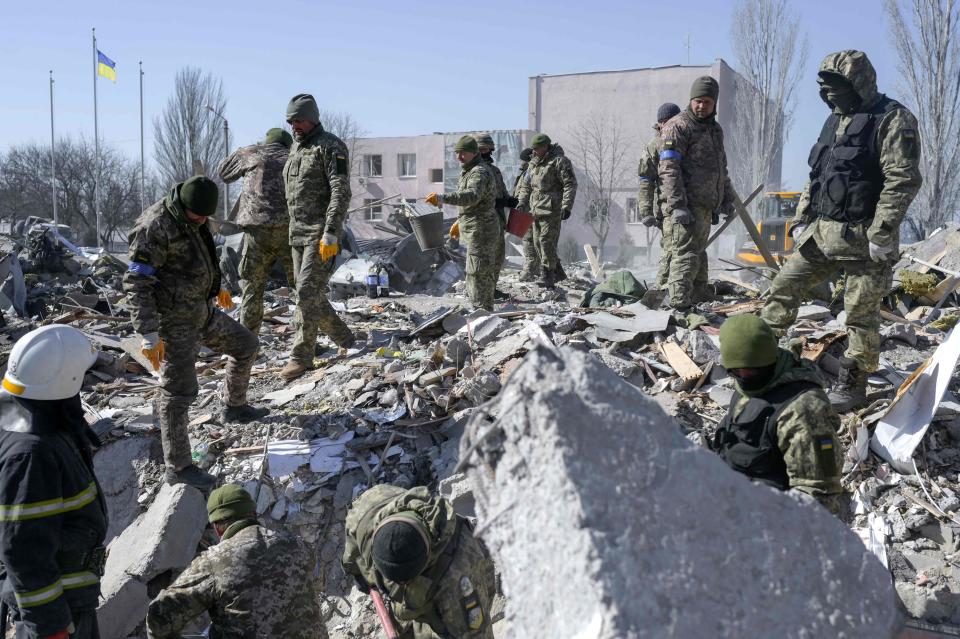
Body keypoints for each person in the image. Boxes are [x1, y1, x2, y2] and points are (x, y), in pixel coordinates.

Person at [761, 50, 923, 411]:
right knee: (784, 286)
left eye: (838, 86)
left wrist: (882, 232)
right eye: (826, 88)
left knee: (861, 314)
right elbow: (818, 174)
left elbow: (903, 180)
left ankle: (852, 385)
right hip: (821, 234)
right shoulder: (833, 121)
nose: (831, 94)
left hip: (866, 242)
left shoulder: (893, 119)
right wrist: (802, 217)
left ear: (859, 82)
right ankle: (762, 360)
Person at [124, 176, 267, 491]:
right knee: (179, 392)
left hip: (201, 312)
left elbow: (203, 256)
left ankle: (234, 407)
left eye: (206, 216)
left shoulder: (195, 216)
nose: (202, 221)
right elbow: (137, 281)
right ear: (183, 205)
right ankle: (178, 467)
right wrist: (148, 333)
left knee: (246, 345)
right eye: (197, 216)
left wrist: (218, 288)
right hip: (172, 323)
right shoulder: (154, 227)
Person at [0, 326, 107, 639]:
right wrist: (49, 626)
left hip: (70, 599)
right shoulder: (32, 453)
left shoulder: (33, 416)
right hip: (58, 609)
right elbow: (22, 547)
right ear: (65, 381)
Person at [146, 484, 325, 639]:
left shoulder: (213, 561)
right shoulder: (295, 544)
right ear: (253, 513)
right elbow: (315, 581)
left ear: (217, 527)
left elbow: (159, 617)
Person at [710, 315, 846, 515]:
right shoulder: (750, 382)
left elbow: (818, 497)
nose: (744, 377)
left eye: (750, 371)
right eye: (737, 372)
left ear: (768, 360)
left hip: (770, 519)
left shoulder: (804, 411)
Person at [342, 485, 497, 639]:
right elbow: (352, 546)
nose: (399, 586)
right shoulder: (368, 507)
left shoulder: (458, 578)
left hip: (459, 589)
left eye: (405, 582)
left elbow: (477, 632)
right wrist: (358, 574)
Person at [281, 93, 356, 382]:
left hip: (319, 235)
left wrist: (331, 232)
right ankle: (345, 337)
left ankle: (301, 357)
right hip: (296, 235)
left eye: (299, 120)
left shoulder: (331, 146)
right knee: (307, 294)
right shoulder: (295, 150)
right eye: (290, 121)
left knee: (306, 293)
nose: (294, 126)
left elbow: (340, 190)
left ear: (312, 118)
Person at [657, 76, 735, 310]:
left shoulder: (714, 129)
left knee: (699, 253)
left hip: (706, 205)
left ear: (714, 105)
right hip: (687, 205)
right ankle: (678, 303)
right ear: (691, 100)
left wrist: (726, 199)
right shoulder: (678, 126)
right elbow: (668, 168)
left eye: (707, 102)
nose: (702, 106)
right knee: (686, 254)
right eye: (698, 101)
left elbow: (721, 167)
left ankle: (699, 294)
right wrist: (678, 204)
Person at [218, 127, 296, 334]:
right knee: (303, 288)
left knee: (253, 288)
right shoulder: (296, 156)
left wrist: (243, 151)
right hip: (289, 232)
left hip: (256, 232)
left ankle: (248, 341)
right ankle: (309, 340)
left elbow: (224, 174)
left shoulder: (252, 153)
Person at [426, 136, 499, 311]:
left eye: (463, 153)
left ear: (474, 153)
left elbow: (472, 196)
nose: (459, 157)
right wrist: (460, 220)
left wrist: (442, 198)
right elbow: (475, 202)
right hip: (475, 225)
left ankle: (482, 312)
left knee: (479, 272)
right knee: (474, 271)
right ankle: (479, 309)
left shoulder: (479, 172)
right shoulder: (469, 170)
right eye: (457, 153)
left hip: (482, 229)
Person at [516, 133, 577, 287]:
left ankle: (547, 275)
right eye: (533, 149)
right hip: (535, 210)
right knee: (537, 243)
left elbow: (570, 184)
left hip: (552, 210)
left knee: (546, 242)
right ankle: (558, 273)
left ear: (545, 147)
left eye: (537, 149)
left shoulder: (559, 162)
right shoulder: (533, 164)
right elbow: (526, 185)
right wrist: (522, 203)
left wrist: (566, 206)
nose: (534, 152)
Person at [637, 102, 682, 288]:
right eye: (668, 122)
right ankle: (661, 289)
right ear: (661, 123)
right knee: (671, 249)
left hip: (689, 205)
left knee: (688, 252)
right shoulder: (654, 146)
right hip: (668, 207)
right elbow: (645, 180)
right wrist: (645, 210)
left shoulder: (688, 141)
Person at [475, 133, 519, 295]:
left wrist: (509, 201)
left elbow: (502, 192)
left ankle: (491, 289)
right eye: (481, 149)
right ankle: (481, 291)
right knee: (484, 258)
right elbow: (473, 199)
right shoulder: (474, 172)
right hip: (483, 222)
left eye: (487, 149)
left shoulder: (494, 170)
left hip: (498, 220)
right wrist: (496, 203)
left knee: (498, 258)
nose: (486, 152)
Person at [513, 148, 541, 282]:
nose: (521, 163)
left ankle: (530, 269)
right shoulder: (526, 172)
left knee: (528, 240)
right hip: (524, 209)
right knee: (529, 240)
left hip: (530, 210)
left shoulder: (532, 172)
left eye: (523, 160)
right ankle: (534, 270)